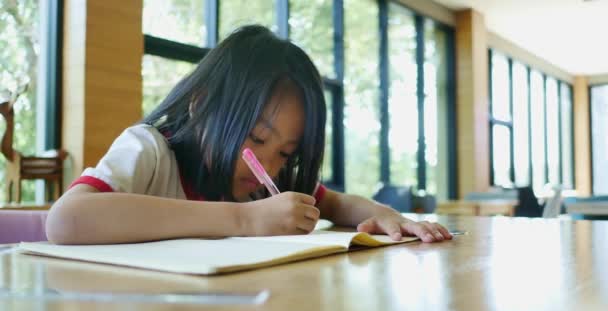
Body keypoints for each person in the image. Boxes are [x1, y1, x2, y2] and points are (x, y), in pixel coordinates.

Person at [46, 25, 452, 245]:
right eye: (257, 139)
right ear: (201, 104)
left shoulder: (262, 188)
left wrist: (387, 216)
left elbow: (336, 204)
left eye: (286, 153)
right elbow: (66, 220)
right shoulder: (148, 150)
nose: (269, 165)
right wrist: (244, 219)